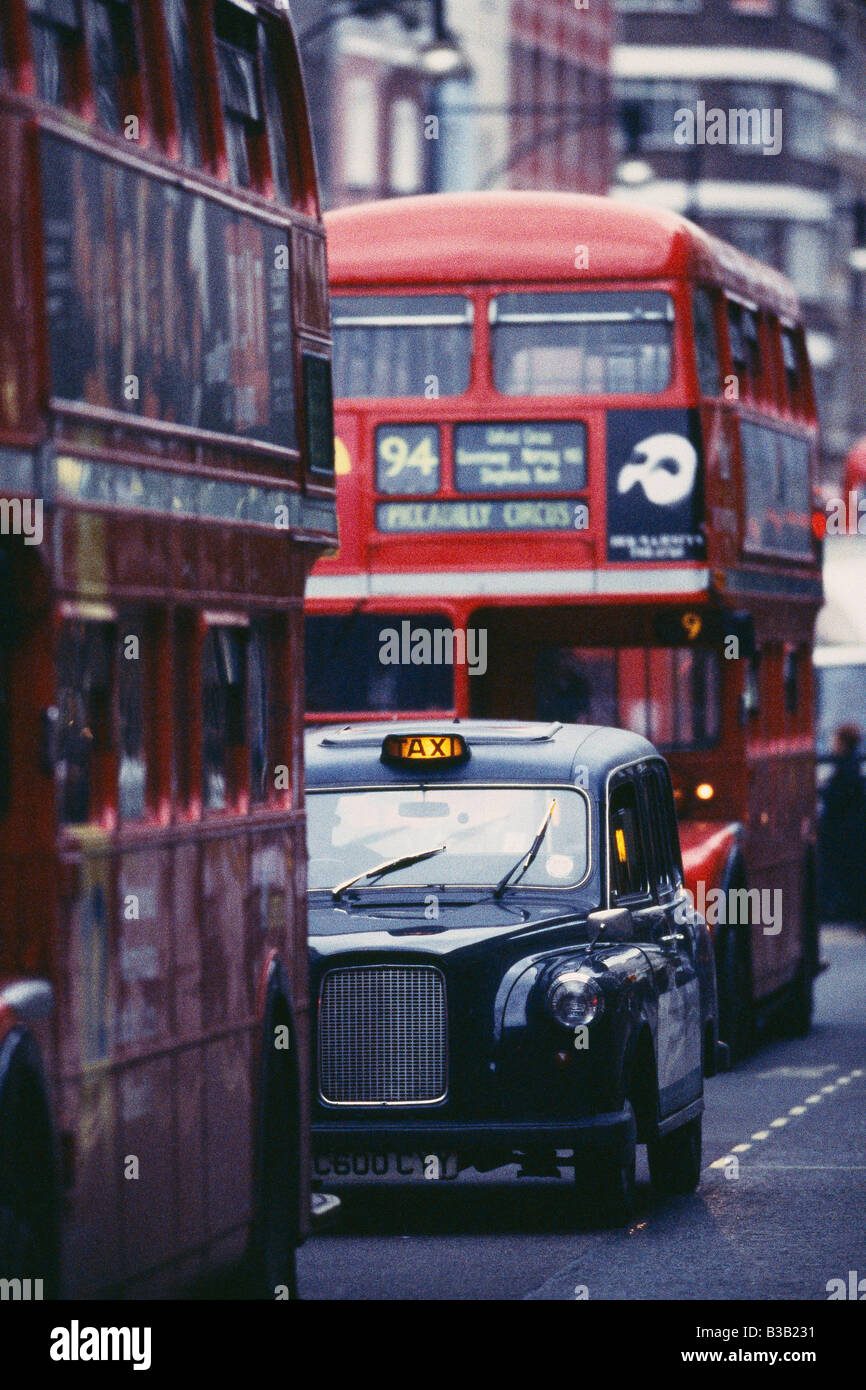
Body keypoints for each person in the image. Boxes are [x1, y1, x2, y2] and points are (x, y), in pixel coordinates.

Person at [817, 723, 866, 924]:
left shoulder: (846, 766)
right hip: (850, 830)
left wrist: (824, 790)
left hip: (844, 833)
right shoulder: (851, 764)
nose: (832, 744)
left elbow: (839, 795)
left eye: (835, 740)